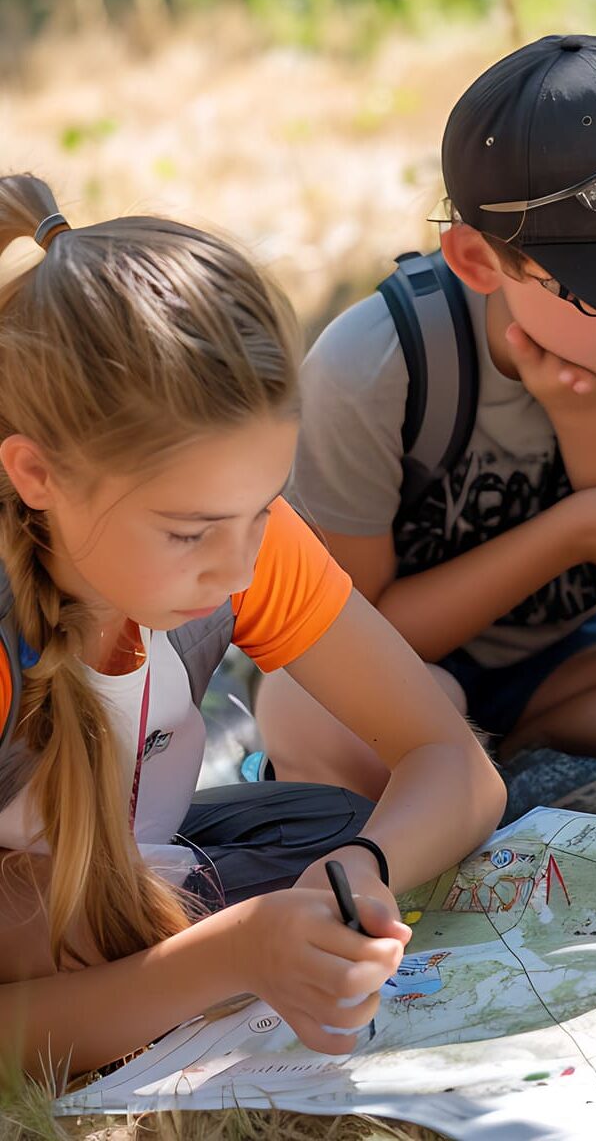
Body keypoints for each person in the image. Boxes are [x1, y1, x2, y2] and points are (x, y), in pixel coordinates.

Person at [0, 176, 504, 1077]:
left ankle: (141, 969)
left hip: (131, 855)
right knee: (32, 918)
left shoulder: (240, 541)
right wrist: (232, 956)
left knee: (337, 828)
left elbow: (453, 763)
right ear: (37, 475)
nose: (238, 567)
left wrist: (363, 869)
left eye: (266, 506)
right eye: (188, 531)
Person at [257, 33, 596, 791]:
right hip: (401, 670)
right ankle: (460, 770)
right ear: (480, 262)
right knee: (317, 714)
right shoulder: (376, 364)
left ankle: (513, 757)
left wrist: (591, 429)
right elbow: (358, 632)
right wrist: (576, 530)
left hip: (574, 667)